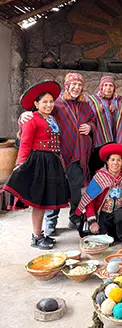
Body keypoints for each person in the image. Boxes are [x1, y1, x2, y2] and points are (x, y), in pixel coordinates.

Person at [3, 81, 71, 249]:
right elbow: (25, 143)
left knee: (46, 201)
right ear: (36, 104)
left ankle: (40, 235)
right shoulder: (31, 118)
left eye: (51, 101)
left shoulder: (52, 119)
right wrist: (20, 164)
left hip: (52, 162)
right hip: (39, 162)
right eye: (44, 102)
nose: (49, 105)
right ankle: (36, 236)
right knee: (38, 203)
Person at [77, 143, 122, 245]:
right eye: (112, 160)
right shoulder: (99, 177)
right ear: (107, 162)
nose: (115, 163)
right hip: (105, 215)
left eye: (118, 160)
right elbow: (89, 200)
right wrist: (92, 222)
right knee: (101, 236)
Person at [87, 75, 122, 173]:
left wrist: (115, 111)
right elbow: (88, 118)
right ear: (101, 87)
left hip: (116, 141)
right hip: (97, 143)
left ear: (114, 88)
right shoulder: (92, 100)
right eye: (105, 85)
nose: (108, 88)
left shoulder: (120, 101)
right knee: (96, 169)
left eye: (111, 85)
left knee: (115, 168)